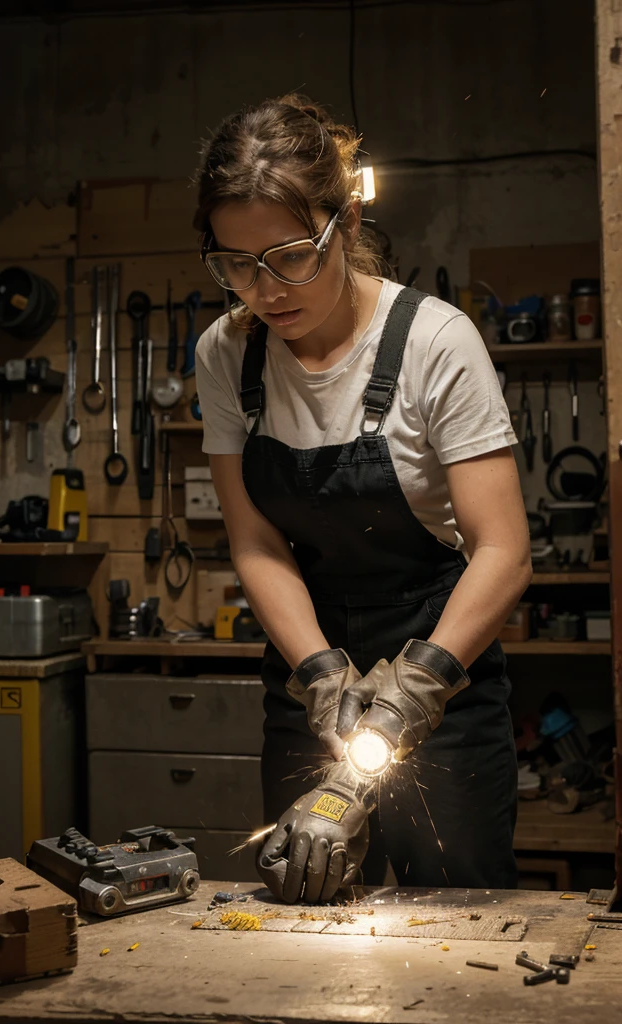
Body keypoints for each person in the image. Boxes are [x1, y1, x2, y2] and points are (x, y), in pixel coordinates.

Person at [193, 94, 531, 903]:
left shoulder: (435, 341)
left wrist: (416, 691)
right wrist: (317, 677)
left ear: (342, 223)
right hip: (313, 679)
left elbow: (504, 549)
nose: (265, 289)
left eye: (289, 255)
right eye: (237, 263)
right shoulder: (227, 356)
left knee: (458, 918)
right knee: (307, 898)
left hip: (442, 674)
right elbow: (256, 543)